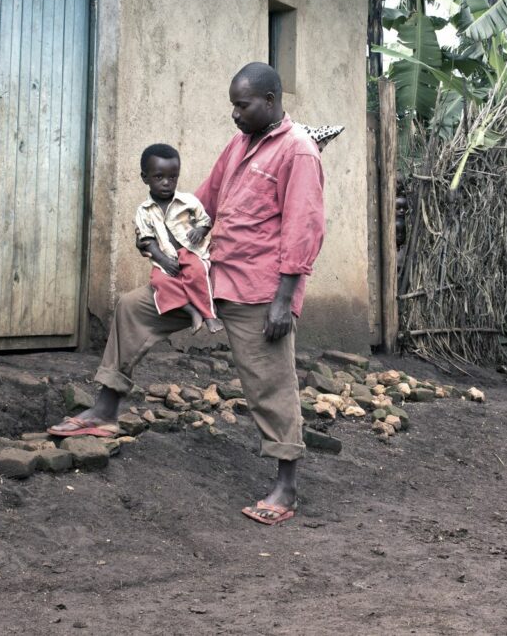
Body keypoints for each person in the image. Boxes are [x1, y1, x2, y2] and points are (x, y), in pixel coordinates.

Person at [48, 63, 326, 527]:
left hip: (258, 291)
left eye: (243, 105)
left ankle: (286, 485)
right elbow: (203, 203)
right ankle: (105, 408)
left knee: (269, 382)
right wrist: (164, 235)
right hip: (211, 275)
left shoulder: (298, 152)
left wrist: (284, 301)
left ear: (271, 101)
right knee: (134, 307)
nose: (234, 114)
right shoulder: (240, 144)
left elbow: (304, 229)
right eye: (233, 105)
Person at [134, 143, 223, 335]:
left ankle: (209, 315)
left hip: (190, 252)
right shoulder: (143, 211)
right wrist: (163, 261)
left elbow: (205, 221)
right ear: (145, 178)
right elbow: (147, 240)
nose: (166, 182)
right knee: (160, 282)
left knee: (197, 273)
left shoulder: (188, 201)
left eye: (172, 177)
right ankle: (191, 311)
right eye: (159, 177)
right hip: (166, 257)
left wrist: (200, 231)